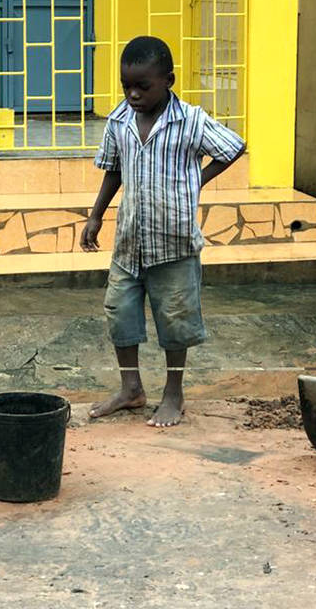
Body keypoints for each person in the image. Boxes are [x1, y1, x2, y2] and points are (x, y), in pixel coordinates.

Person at [80, 35, 246, 427]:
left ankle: (174, 394)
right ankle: (131, 388)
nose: (133, 94)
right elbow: (114, 171)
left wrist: (197, 181)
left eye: (143, 86)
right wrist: (95, 215)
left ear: (168, 80)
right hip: (129, 243)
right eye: (126, 86)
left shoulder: (190, 120)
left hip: (174, 246)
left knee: (175, 322)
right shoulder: (119, 120)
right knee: (119, 315)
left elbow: (233, 147)